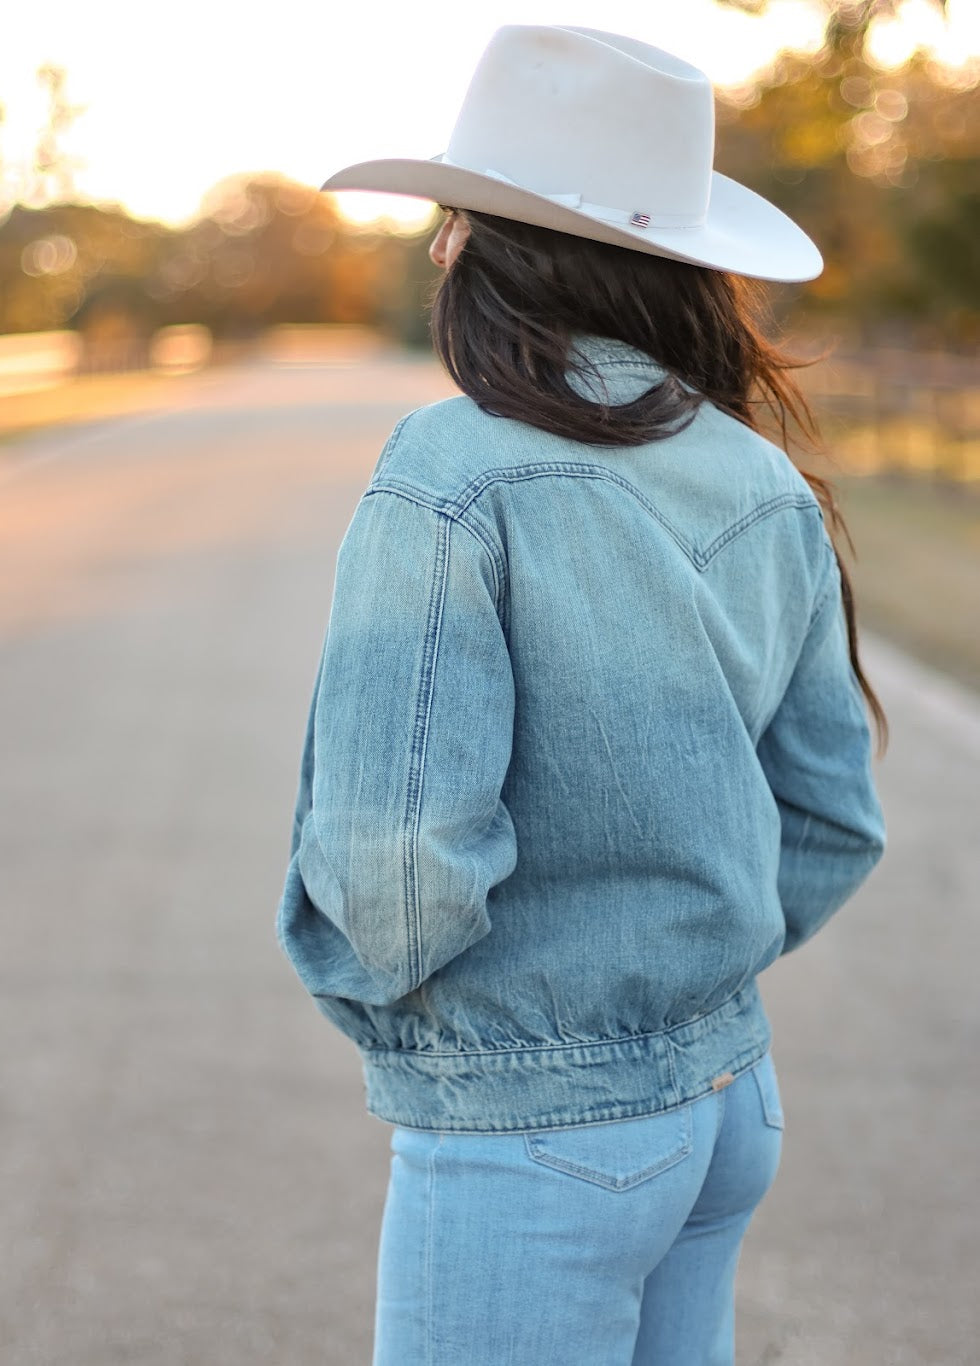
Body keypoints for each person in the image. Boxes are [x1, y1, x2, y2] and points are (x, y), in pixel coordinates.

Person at [275, 24, 888, 1366]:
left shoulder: (450, 467)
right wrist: (669, 970)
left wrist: (419, 1013)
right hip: (725, 1106)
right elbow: (835, 817)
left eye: (454, 220)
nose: (439, 248)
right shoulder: (760, 480)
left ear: (497, 249)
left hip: (534, 1123)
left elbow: (391, 867)